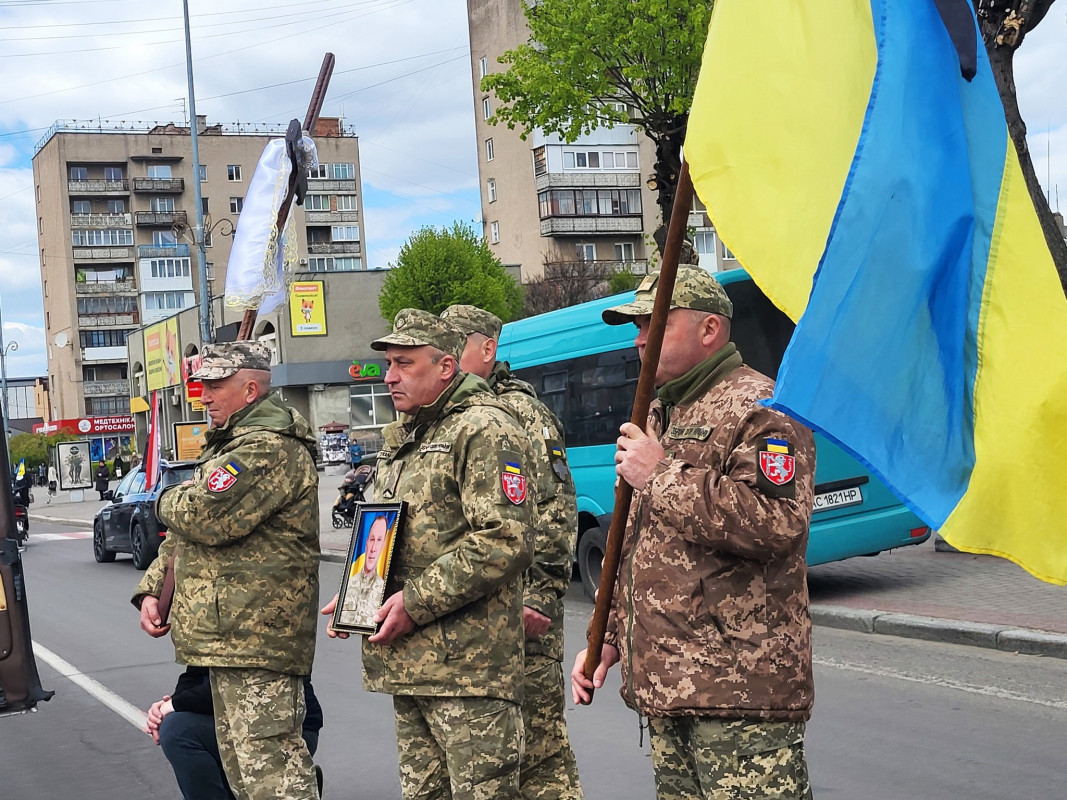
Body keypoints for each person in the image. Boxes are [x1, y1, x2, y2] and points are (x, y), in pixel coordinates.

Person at [570, 265, 818, 800]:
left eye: (655, 324)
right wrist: (609, 636)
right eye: (636, 328)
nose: (639, 341)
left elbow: (778, 525)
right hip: (670, 687)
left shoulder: (763, 408)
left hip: (738, 693)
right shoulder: (663, 411)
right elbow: (639, 541)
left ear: (709, 330)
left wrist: (659, 474)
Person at [320, 308, 536, 800]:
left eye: (404, 363)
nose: (389, 376)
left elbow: (505, 539)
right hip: (413, 666)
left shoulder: (483, 428)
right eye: (388, 364)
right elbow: (394, 535)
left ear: (444, 367)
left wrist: (413, 603)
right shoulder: (412, 435)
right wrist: (358, 594)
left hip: (469, 671)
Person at [133, 341, 321, 800]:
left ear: (251, 389)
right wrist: (154, 589)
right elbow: (185, 537)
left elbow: (204, 517)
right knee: (246, 777)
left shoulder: (267, 449)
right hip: (229, 637)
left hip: (256, 637)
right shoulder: (229, 446)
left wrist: (161, 498)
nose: (204, 396)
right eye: (202, 385)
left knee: (272, 777)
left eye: (215, 386)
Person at [441, 303, 583, 800]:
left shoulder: (520, 412)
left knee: (539, 752)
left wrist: (540, 597)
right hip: (477, 617)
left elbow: (555, 508)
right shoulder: (453, 415)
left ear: (487, 348)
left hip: (522, 613)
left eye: (453, 347)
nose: (446, 359)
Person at [144, 666, 324, 800]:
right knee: (177, 725)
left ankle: (293, 782)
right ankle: (292, 782)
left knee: (179, 731)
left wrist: (173, 706)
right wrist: (166, 708)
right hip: (236, 726)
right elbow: (195, 673)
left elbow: (240, 686)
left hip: (285, 730)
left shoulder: (253, 618)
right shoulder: (208, 623)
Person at [338, 512, 390, 629]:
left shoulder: (384, 589)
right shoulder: (349, 584)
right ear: (366, 542)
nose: (373, 548)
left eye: (379, 540)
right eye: (372, 539)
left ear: (383, 545)